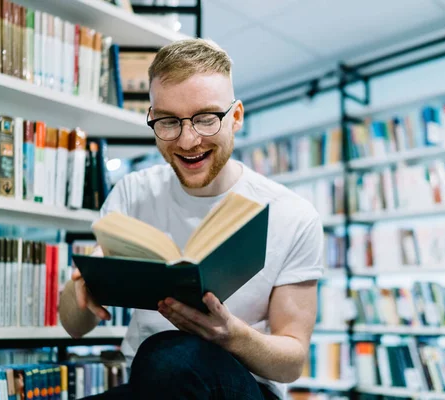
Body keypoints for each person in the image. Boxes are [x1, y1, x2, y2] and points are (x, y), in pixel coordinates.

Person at [58, 37, 325, 400]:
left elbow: (291, 363)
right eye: (168, 121)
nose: (187, 140)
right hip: (151, 386)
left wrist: (231, 334)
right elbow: (74, 328)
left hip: (244, 388)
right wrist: (83, 289)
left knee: (170, 355)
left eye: (205, 119)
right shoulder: (132, 193)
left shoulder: (292, 214)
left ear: (236, 117)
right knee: (161, 365)